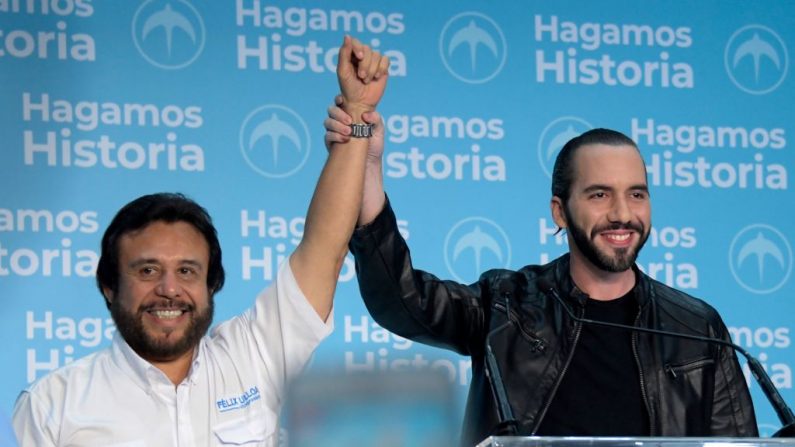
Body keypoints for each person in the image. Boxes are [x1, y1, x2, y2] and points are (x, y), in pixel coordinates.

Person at [12, 35, 390, 447]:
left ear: (211, 285)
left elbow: (324, 249)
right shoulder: (52, 404)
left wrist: (356, 113)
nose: (169, 289)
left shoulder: (254, 356)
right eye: (148, 270)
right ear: (108, 286)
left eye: (187, 271)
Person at [324, 106, 758, 444]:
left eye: (636, 194)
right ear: (560, 212)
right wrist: (365, 161)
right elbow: (402, 302)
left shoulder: (698, 328)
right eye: (600, 195)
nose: (623, 214)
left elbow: (741, 446)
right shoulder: (506, 305)